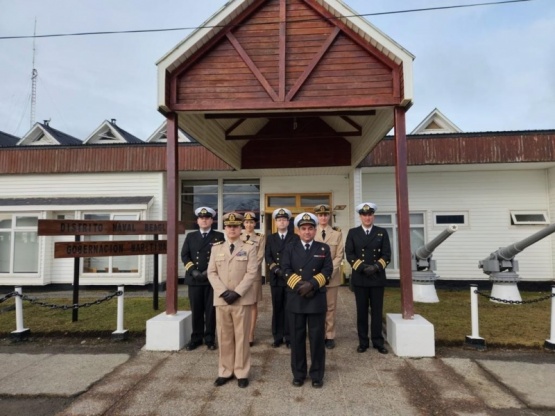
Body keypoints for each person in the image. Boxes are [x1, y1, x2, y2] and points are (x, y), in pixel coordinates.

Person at [282, 212, 333, 388]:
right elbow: (285, 270)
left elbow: (327, 271)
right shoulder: (290, 248)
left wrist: (311, 285)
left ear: (315, 229)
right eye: (303, 229)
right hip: (296, 298)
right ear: (298, 230)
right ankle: (299, 374)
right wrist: (300, 287)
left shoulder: (323, 248)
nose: (307, 232)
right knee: (296, 339)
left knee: (317, 339)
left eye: (310, 228)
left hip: (316, 298)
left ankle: (317, 374)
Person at [207, 212, 258, 388]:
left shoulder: (250, 247)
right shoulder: (216, 248)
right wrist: (223, 292)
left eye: (236, 226)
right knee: (224, 337)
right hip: (222, 300)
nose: (232, 229)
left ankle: (241, 372)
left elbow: (252, 272)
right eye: (229, 226)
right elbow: (211, 272)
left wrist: (236, 293)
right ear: (225, 228)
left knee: (242, 337)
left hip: (241, 299)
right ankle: (225, 371)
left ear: (240, 228)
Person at [345, 202, 391, 355]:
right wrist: (363, 268)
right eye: (364, 215)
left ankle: (378, 341)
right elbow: (350, 254)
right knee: (362, 311)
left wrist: (376, 267)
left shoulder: (381, 232)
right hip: (360, 278)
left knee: (377, 311)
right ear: (360, 217)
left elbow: (387, 255)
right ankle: (363, 341)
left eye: (370, 214)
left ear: (373, 216)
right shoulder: (353, 233)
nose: (367, 217)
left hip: (377, 278)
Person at [181, 206, 224, 351]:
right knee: (196, 310)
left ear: (212, 220)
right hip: (194, 280)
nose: (204, 220)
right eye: (201, 218)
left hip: (211, 279)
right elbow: (185, 255)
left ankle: (210, 339)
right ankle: (196, 338)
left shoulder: (219, 236)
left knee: (211, 311)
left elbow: (221, 257)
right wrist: (193, 271)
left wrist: (207, 272)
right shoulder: (190, 236)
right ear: (197, 221)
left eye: (207, 218)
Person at [264, 208, 299, 348]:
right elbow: (268, 256)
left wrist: (287, 271)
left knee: (289, 308)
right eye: (279, 220)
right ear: (275, 222)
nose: (282, 222)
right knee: (277, 307)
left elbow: (297, 256)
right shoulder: (271, 238)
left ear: (288, 222)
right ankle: (277, 336)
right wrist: (275, 268)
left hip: (290, 278)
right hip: (276, 278)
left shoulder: (295, 237)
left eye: (284, 219)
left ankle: (289, 337)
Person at [313, 204, 344, 349]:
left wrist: (328, 272)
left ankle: (329, 335)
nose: (323, 217)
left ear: (329, 216)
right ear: (317, 217)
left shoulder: (337, 233)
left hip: (331, 277)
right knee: (316, 307)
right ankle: (317, 333)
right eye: (320, 215)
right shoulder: (312, 232)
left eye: (325, 215)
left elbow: (339, 255)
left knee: (330, 307)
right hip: (314, 277)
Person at [241, 211, 265, 346]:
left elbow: (259, 257)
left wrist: (249, 271)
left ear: (255, 223)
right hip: (240, 275)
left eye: (251, 222)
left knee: (253, 304)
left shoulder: (260, 237)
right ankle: (241, 332)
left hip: (254, 275)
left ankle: (250, 333)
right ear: (243, 223)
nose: (249, 225)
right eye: (246, 222)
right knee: (241, 304)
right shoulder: (238, 236)